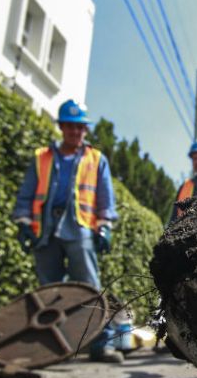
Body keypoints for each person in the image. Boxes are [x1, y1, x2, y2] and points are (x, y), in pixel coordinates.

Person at [12, 99, 123, 363]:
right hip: (46, 229)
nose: (76, 132)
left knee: (90, 286)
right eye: (70, 127)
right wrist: (24, 224)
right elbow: (26, 194)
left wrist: (104, 226)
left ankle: (100, 345)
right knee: (49, 290)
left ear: (85, 130)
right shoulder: (42, 157)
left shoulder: (97, 159)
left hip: (80, 226)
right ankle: (54, 348)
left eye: (80, 128)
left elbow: (105, 200)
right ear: (61, 127)